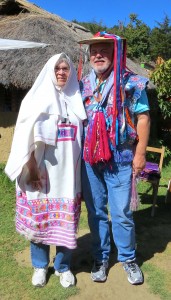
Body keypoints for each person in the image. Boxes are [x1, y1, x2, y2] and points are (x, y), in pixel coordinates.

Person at [5, 53, 87, 288]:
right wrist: (31, 167)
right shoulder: (35, 99)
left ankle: (63, 266)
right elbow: (24, 137)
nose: (62, 72)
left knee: (65, 221)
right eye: (58, 68)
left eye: (66, 68)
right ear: (50, 70)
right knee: (39, 220)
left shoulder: (76, 99)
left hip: (68, 175)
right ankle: (40, 266)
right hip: (40, 172)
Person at [78, 32, 150, 285]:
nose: (98, 55)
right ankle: (101, 257)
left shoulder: (132, 82)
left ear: (115, 53)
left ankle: (128, 258)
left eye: (104, 51)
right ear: (89, 57)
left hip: (120, 160)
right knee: (96, 212)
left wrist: (140, 153)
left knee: (120, 213)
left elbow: (143, 117)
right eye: (94, 51)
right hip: (89, 162)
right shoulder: (82, 84)